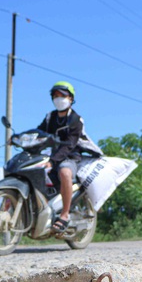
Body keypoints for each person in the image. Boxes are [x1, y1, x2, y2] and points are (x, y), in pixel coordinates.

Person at [38, 81, 102, 233]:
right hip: (52, 155)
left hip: (70, 156)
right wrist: (19, 138)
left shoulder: (75, 120)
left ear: (71, 98)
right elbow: (39, 133)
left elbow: (70, 144)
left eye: (63, 96)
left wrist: (53, 161)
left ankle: (65, 215)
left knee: (64, 172)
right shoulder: (50, 117)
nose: (59, 99)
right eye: (56, 96)